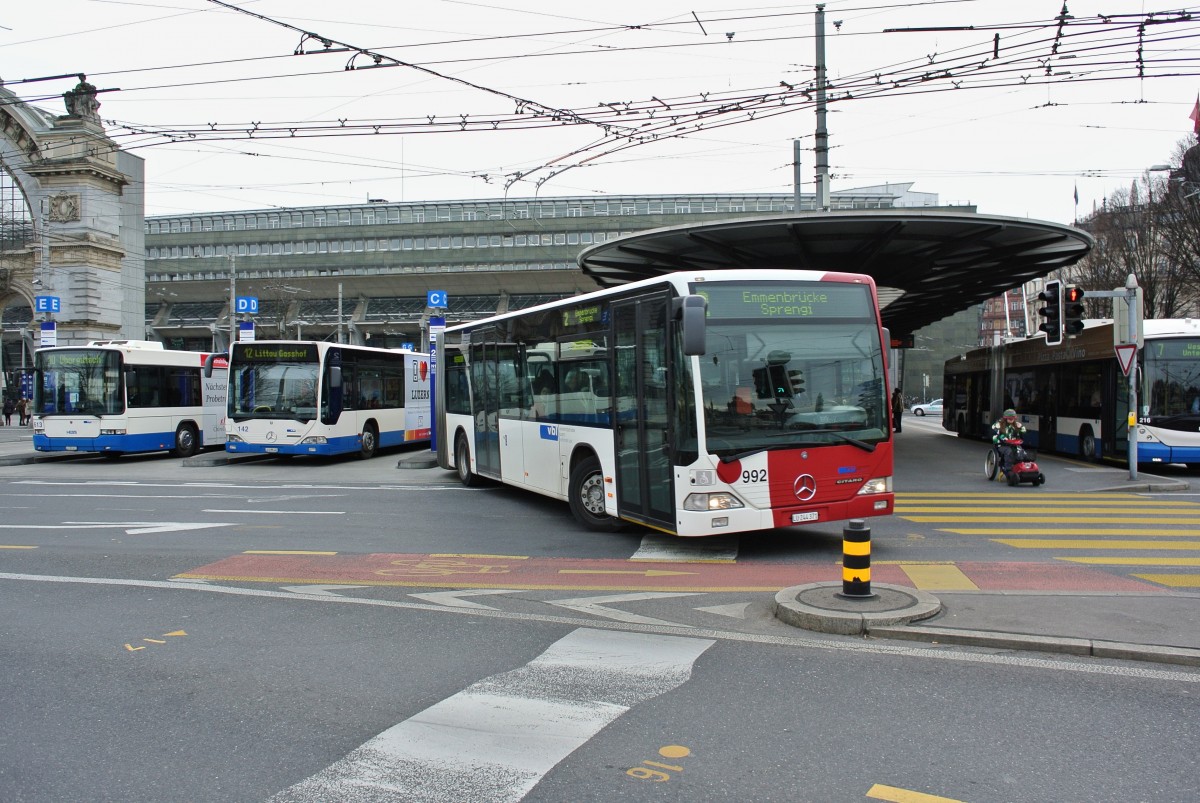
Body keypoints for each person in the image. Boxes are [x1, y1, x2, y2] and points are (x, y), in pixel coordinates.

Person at [991, 408, 1027, 478]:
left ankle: (1020, 468)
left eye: (1012, 419)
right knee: (1009, 451)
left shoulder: (1016, 425)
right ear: (1005, 418)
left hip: (1014, 444)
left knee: (1021, 452)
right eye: (1009, 419)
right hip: (1002, 445)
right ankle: (1008, 469)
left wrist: (1021, 427)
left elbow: (1024, 431)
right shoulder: (999, 424)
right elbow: (994, 428)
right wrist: (1002, 438)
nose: (1011, 420)